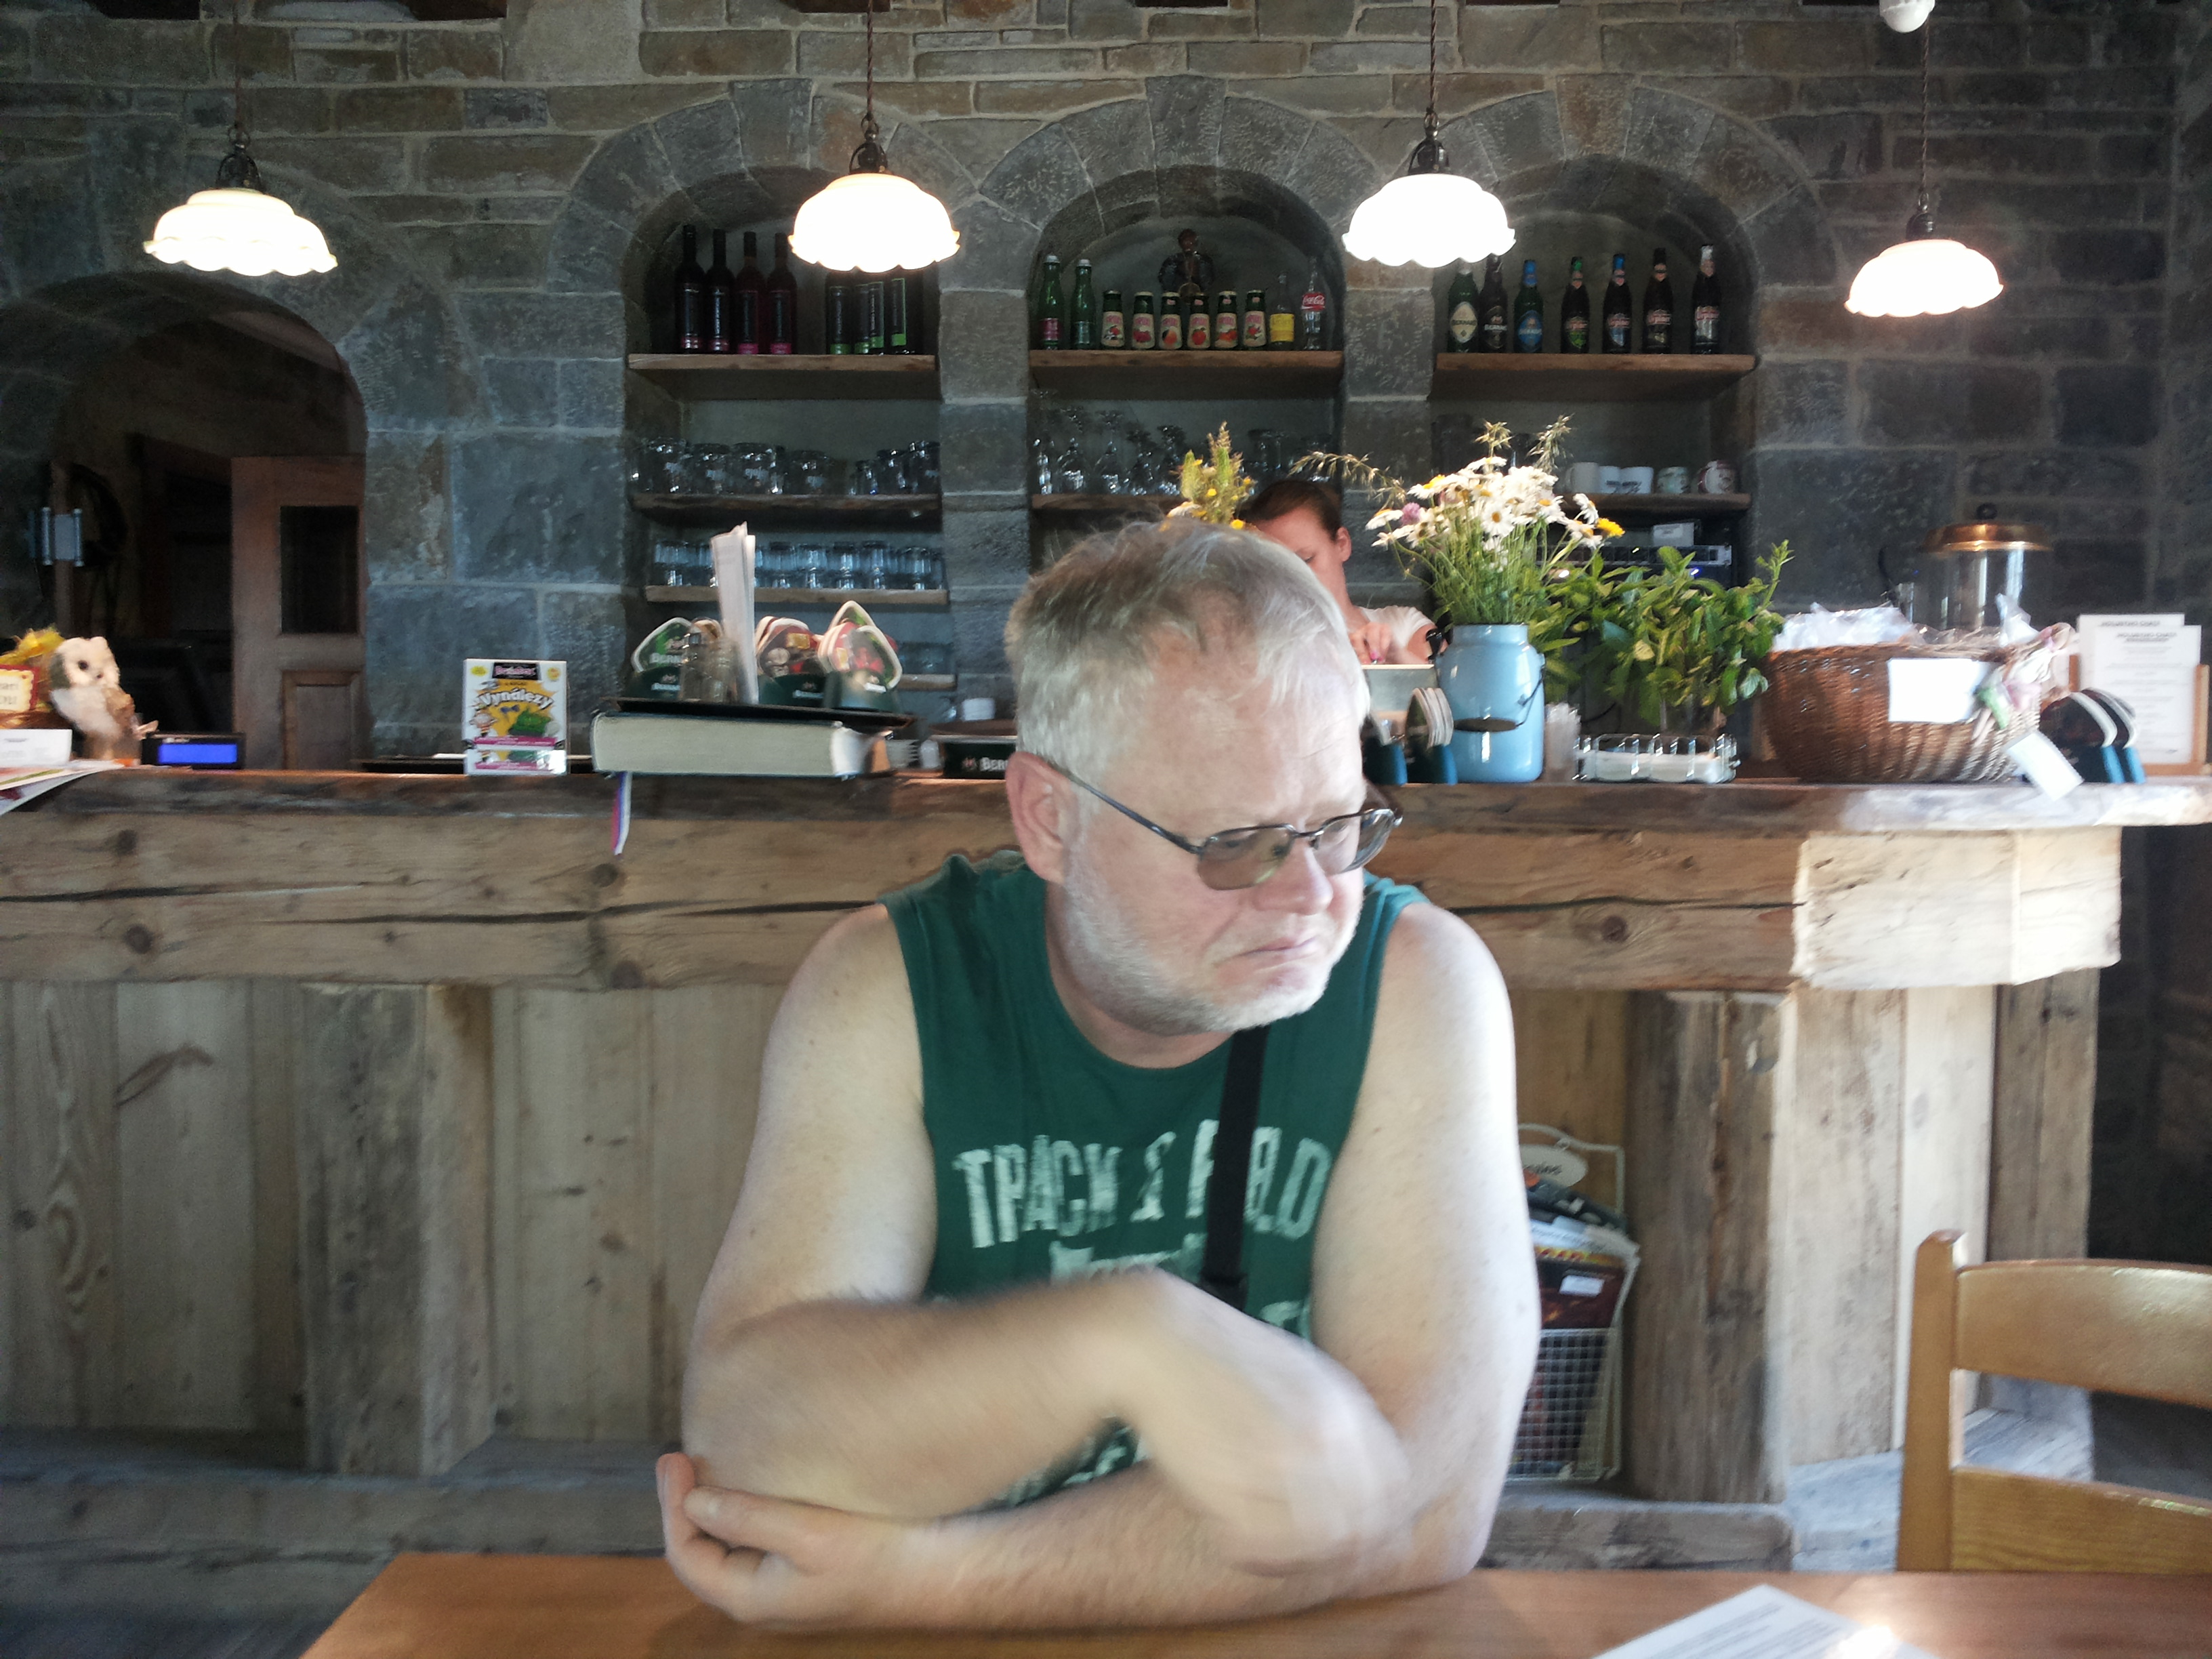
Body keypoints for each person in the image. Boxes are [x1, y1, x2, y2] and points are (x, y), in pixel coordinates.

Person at [658, 522, 1536, 1630]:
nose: (1313, 898)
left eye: (1337, 826)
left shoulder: (1413, 980)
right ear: (1050, 819)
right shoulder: (896, 984)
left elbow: (1424, 1507)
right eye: (1237, 844)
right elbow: (749, 1443)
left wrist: (929, 1579)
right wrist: (1124, 1336)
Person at [1244, 478, 1435, 666]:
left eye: (1306, 560)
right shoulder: (1257, 645)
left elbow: (1440, 683)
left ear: (1342, 544)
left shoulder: (1403, 626)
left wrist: (1395, 656)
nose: (1295, 578)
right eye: (1277, 569)